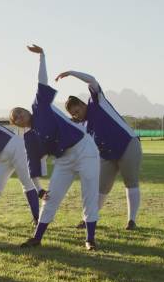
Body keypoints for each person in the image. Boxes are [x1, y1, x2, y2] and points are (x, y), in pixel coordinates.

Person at [9, 45, 100, 250]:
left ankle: (90, 239)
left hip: (84, 150)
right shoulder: (29, 137)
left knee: (89, 194)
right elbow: (32, 166)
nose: (20, 117)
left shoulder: (39, 106)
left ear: (26, 110)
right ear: (17, 125)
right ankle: (37, 238)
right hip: (64, 160)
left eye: (20, 112)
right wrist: (40, 190)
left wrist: (42, 56)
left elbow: (41, 81)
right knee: (50, 198)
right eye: (16, 119)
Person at [60, 71, 142, 230]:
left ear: (83, 104)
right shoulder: (83, 125)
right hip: (106, 154)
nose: (77, 115)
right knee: (100, 188)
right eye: (73, 114)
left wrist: (71, 73)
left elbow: (91, 80)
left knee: (130, 181)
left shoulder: (97, 101)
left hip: (127, 144)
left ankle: (131, 221)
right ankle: (88, 219)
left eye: (77, 111)